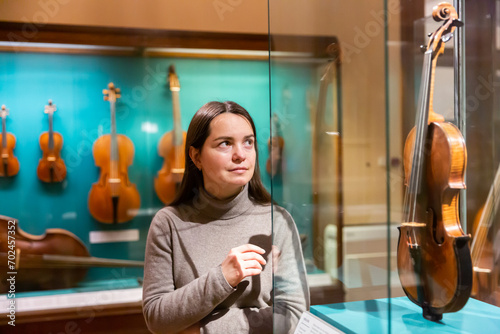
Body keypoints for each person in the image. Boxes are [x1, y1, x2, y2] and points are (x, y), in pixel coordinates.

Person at [142, 101, 310, 333]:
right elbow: (157, 317)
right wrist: (222, 277)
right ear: (196, 156)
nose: (240, 155)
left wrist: (201, 330)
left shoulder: (278, 220)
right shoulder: (168, 223)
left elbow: (294, 315)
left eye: (248, 142)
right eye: (225, 144)